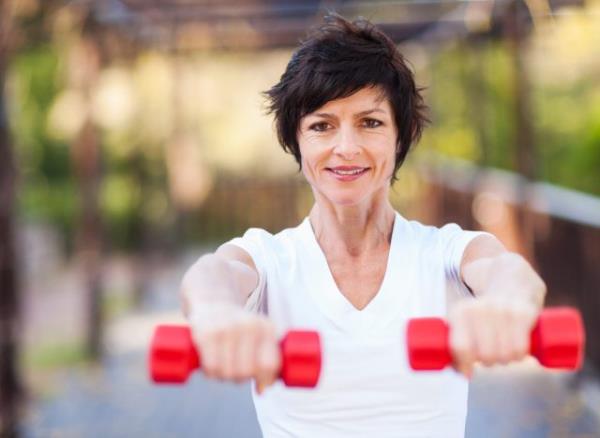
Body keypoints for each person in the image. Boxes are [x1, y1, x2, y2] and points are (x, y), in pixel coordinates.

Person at [180, 14, 546, 437]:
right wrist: (216, 313)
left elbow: (507, 272)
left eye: (370, 122)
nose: (346, 148)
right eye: (322, 126)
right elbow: (213, 275)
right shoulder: (269, 260)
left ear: (402, 134)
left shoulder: (445, 253)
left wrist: (509, 304)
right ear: (295, 141)